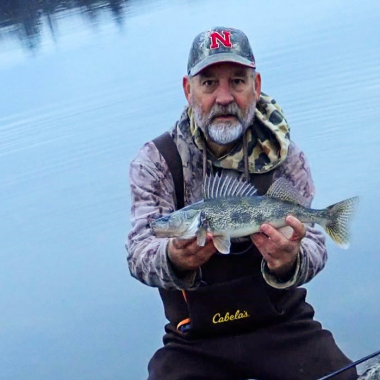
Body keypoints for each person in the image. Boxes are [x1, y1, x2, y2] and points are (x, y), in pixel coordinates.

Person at [126, 27, 357, 380]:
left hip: (282, 325)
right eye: (208, 84)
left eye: (237, 81)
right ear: (188, 90)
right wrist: (173, 258)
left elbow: (315, 247)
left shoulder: (285, 157)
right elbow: (138, 252)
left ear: (256, 86)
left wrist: (290, 259)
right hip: (195, 338)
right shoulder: (157, 161)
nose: (223, 97)